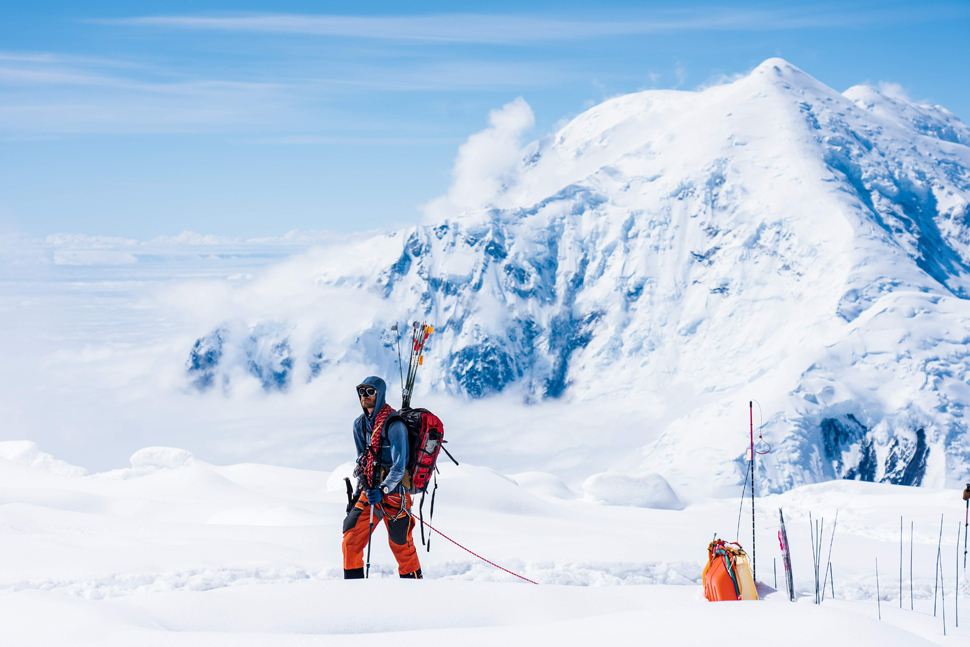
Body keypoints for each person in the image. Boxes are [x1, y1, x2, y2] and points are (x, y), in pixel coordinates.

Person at [342, 376, 422, 579]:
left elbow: (399, 465)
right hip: (369, 491)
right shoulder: (360, 425)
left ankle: (415, 588)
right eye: (361, 391)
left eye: (370, 391)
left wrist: (383, 489)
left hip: (394, 493)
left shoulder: (394, 424)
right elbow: (362, 458)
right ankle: (352, 592)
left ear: (380, 394)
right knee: (350, 538)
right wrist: (365, 486)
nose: (364, 396)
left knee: (400, 544)